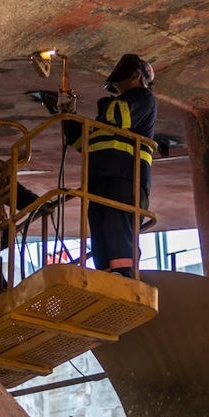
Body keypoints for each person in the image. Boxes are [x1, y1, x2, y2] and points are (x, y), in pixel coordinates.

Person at [61, 54, 157, 278]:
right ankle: (105, 275)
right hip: (100, 178)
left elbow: (119, 117)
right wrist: (69, 113)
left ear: (137, 75)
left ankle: (124, 274)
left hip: (127, 177)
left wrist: (105, 104)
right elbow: (81, 142)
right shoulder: (106, 117)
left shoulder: (144, 98)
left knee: (117, 225)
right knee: (100, 226)